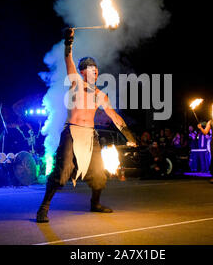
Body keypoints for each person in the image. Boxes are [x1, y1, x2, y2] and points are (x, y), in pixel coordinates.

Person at [36, 28, 137, 223]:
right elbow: (68, 59)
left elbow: (113, 115)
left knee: (99, 173)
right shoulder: (75, 83)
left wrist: (129, 136)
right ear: (83, 72)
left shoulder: (100, 95)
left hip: (90, 136)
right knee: (62, 171)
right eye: (91, 68)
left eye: (96, 68)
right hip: (72, 133)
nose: (96, 70)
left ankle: (95, 204)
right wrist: (69, 41)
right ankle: (43, 208)